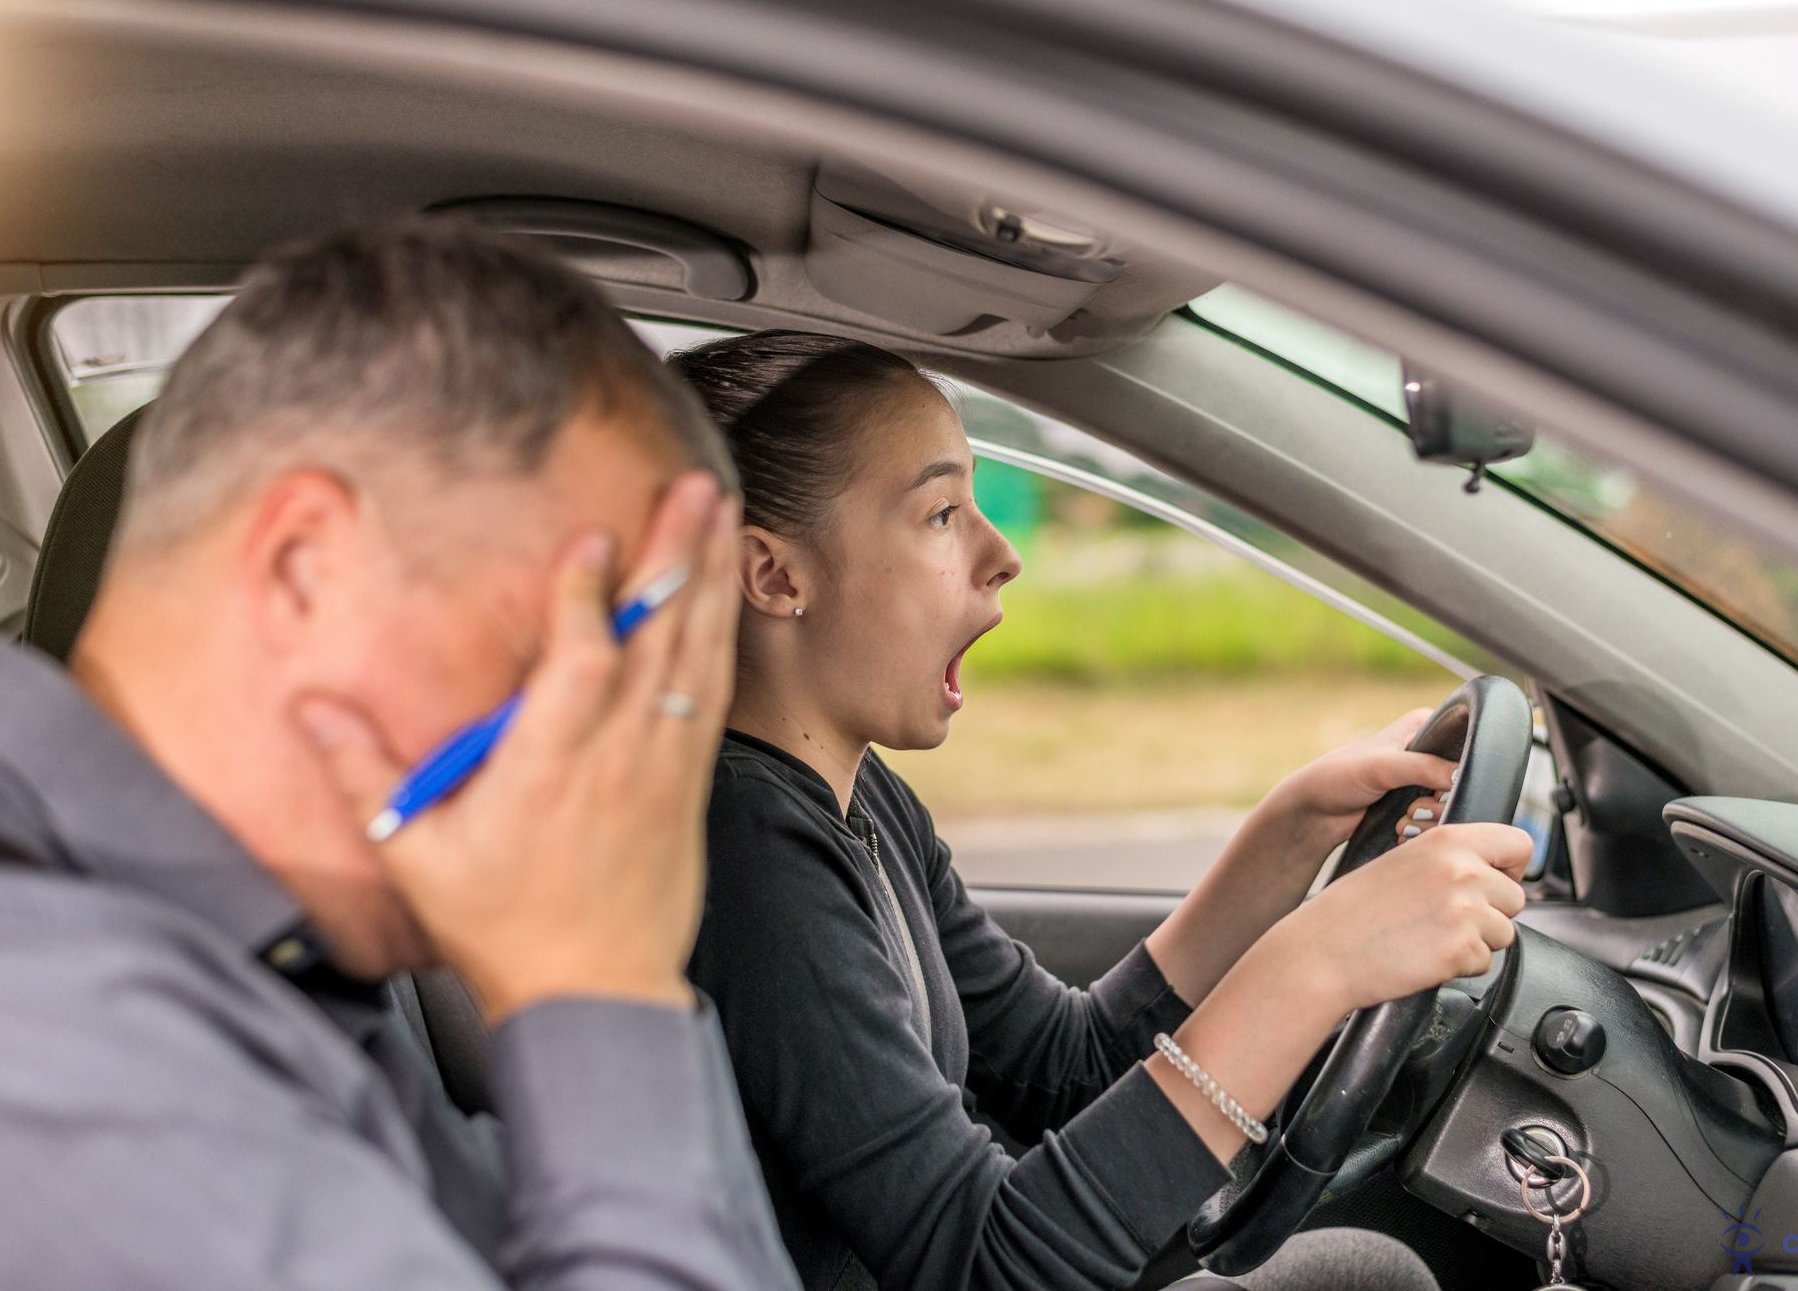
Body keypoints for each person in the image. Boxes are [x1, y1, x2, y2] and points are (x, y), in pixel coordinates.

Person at [0, 221, 800, 1288]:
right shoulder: (56, 1029)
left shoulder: (282, 959)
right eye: (575, 651)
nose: (617, 747)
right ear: (305, 569)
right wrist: (596, 983)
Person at [676, 330, 1535, 1291]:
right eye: (942, 513)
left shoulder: (855, 795)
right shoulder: (745, 851)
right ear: (774, 574)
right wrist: (1319, 964)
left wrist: (1293, 829)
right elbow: (991, 1267)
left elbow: (1063, 1066)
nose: (1002, 554)